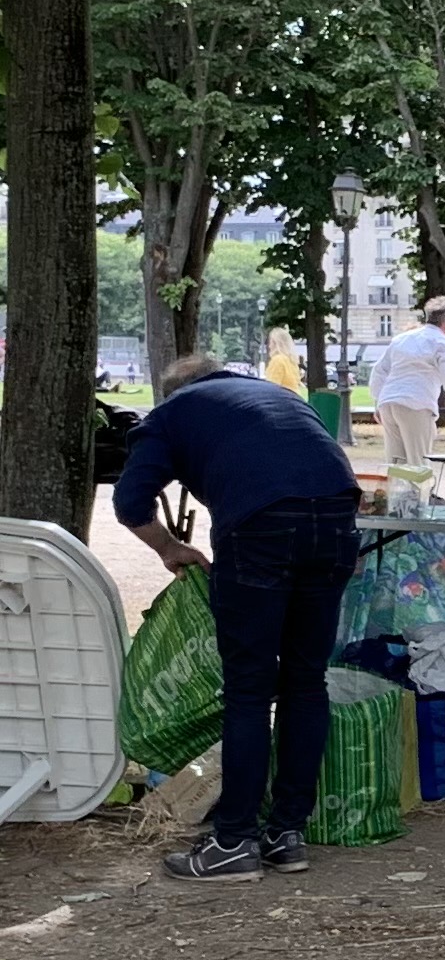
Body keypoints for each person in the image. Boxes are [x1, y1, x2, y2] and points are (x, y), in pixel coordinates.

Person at [113, 355, 361, 881]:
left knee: (248, 689)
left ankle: (232, 843)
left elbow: (130, 502)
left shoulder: (172, 412)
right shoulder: (278, 396)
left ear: (172, 391)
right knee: (304, 682)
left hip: (261, 527)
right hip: (338, 520)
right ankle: (286, 834)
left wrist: (169, 548)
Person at [369, 298, 445, 466]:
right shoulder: (443, 345)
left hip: (388, 402)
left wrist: (377, 401)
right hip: (416, 404)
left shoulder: (402, 339)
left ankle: (396, 492)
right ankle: (418, 493)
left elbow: (379, 371)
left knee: (395, 464)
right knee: (419, 463)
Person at [263, 326, 303, 395]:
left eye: (270, 342)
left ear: (276, 343)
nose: (269, 346)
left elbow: (271, 388)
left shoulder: (277, 361)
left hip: (281, 401)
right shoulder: (292, 361)